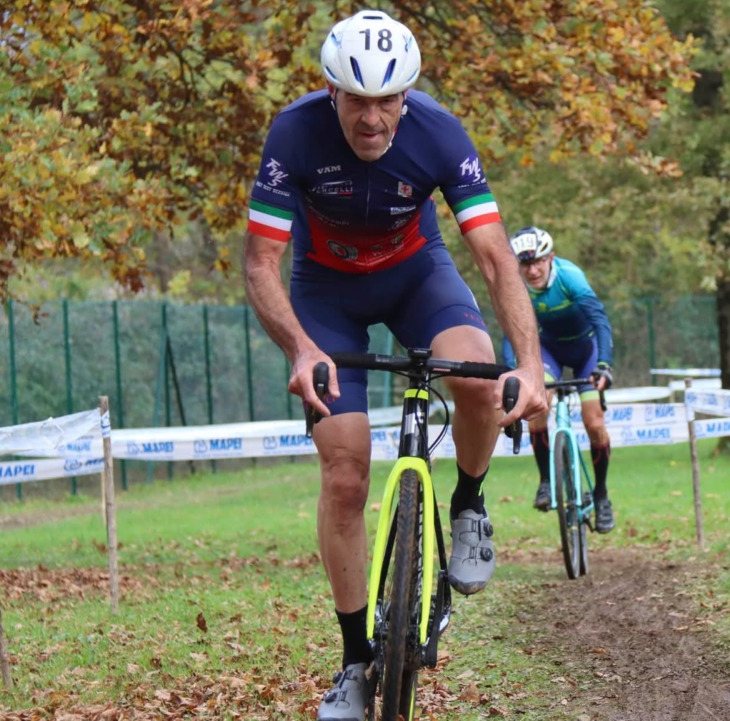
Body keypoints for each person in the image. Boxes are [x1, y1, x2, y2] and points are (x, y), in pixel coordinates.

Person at [241, 10, 546, 720]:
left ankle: (468, 503)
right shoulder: (293, 134)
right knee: (344, 474)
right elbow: (261, 262)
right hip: (326, 295)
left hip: (418, 277)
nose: (372, 118)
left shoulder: (440, 133)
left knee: (476, 377)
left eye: (387, 100)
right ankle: (355, 661)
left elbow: (498, 257)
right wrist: (301, 349)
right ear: (330, 91)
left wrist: (528, 366)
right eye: (356, 99)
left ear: (407, 97)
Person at [502, 226, 617, 533]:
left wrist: (604, 364)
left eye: (539, 261)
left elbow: (600, 320)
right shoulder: (517, 287)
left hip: (585, 351)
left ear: (551, 257)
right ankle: (545, 482)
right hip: (548, 351)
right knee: (537, 410)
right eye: (525, 264)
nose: (533, 269)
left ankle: (602, 495)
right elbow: (510, 334)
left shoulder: (570, 277)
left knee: (594, 423)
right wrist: (514, 370)